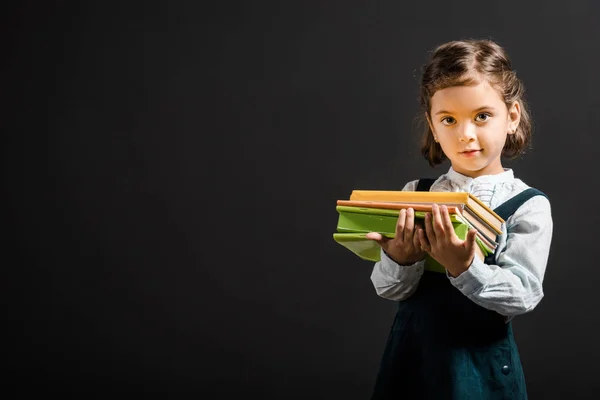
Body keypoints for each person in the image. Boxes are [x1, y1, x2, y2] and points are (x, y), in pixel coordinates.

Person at [365, 39, 553, 399]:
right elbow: (388, 289)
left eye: (482, 116)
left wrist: (465, 267)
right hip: (412, 360)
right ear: (433, 127)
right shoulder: (414, 193)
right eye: (448, 120)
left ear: (511, 116)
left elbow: (524, 294)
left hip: (480, 367)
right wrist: (400, 260)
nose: (465, 134)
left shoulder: (527, 204)